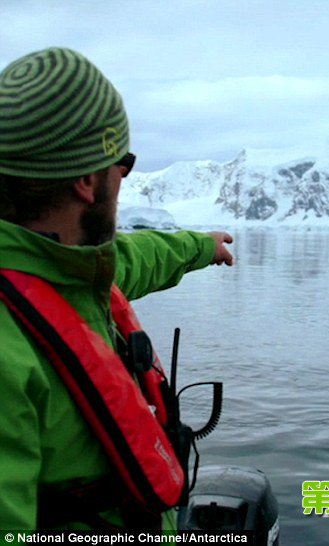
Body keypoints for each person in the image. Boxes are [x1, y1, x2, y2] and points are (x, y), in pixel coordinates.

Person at [0, 47, 233, 530]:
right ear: (88, 180)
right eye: (122, 164)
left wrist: (201, 246)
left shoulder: (60, 269)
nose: (124, 181)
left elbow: (136, 257)